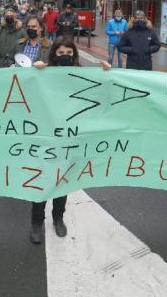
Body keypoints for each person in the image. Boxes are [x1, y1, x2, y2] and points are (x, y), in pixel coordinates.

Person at [30, 37, 111, 244]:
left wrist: (108, 73)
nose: (64, 56)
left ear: (74, 55)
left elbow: (102, 94)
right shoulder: (43, 73)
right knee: (41, 179)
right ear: (53, 54)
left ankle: (58, 218)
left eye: (68, 53)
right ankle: (36, 222)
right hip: (46, 138)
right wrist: (33, 70)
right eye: (60, 53)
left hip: (70, 138)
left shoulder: (83, 75)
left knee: (62, 180)